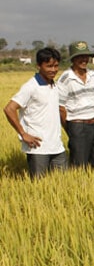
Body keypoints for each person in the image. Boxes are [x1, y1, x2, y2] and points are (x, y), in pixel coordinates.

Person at [3, 47, 67, 178]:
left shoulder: (54, 85)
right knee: (39, 186)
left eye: (56, 66)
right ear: (38, 65)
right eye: (49, 66)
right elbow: (9, 109)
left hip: (57, 146)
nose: (53, 70)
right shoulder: (30, 87)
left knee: (62, 185)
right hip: (38, 148)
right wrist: (23, 133)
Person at [57, 41, 94, 167]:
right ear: (73, 59)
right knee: (79, 165)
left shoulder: (93, 75)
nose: (84, 59)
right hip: (78, 126)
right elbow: (61, 108)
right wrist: (71, 129)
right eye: (79, 56)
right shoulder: (65, 78)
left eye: (86, 56)